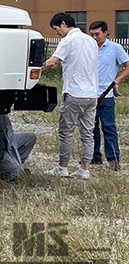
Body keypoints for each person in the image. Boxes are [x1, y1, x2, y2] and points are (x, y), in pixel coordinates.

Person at [42, 13, 99, 179]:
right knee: (87, 132)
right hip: (91, 94)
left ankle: (63, 167)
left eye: (56, 29)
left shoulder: (68, 41)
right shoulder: (91, 41)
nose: (57, 33)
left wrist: (34, 68)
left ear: (63, 24)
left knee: (66, 131)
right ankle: (85, 169)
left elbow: (52, 61)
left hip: (74, 93)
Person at [89, 20, 129, 171]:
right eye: (91, 34)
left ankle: (113, 159)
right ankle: (94, 156)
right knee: (90, 128)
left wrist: (117, 80)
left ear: (105, 33)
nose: (94, 37)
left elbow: (127, 65)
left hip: (106, 95)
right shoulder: (88, 48)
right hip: (89, 94)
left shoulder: (115, 48)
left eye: (97, 34)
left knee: (109, 127)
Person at [0, 114, 36, 179]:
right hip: (0, 148)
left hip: (10, 139)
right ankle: (3, 169)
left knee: (31, 138)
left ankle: (15, 162)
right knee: (16, 173)